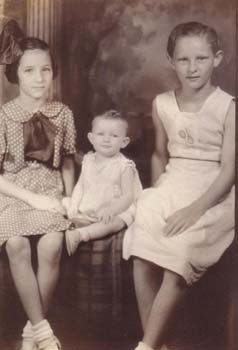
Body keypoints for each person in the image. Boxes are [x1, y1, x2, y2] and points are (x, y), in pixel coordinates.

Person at [123, 21, 235, 350]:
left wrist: (193, 209)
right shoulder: (162, 104)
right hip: (173, 182)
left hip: (214, 193)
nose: (192, 67)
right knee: (141, 247)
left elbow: (229, 171)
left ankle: (145, 347)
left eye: (201, 59)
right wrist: (158, 194)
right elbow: (160, 154)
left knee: (178, 258)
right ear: (171, 62)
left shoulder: (229, 107)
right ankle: (157, 344)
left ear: (217, 58)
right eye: (183, 60)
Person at [0, 21, 76, 350]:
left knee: (50, 247)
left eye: (45, 69)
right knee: (16, 244)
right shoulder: (3, 115)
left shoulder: (62, 113)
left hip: (49, 186)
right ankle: (44, 333)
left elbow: (69, 160)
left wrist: (69, 196)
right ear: (16, 73)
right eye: (29, 70)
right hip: (12, 189)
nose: (39, 78)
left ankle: (33, 332)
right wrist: (31, 198)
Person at [63, 110, 142, 256]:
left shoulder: (124, 166)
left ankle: (82, 234)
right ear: (91, 138)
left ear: (124, 142)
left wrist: (112, 210)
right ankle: (79, 223)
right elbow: (81, 185)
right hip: (92, 205)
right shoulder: (88, 160)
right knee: (65, 207)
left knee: (118, 221)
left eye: (114, 136)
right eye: (101, 134)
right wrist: (74, 204)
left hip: (117, 208)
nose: (106, 139)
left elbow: (128, 196)